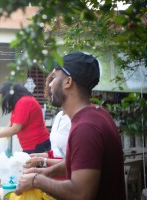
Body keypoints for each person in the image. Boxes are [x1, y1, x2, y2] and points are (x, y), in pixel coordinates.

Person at [15, 52, 126, 199]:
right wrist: (47, 172)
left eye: (54, 77)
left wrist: (37, 180)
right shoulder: (97, 114)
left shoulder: (86, 128)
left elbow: (81, 194)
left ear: (68, 82)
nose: (49, 84)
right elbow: (78, 162)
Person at [0, 82, 50, 154]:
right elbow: (11, 123)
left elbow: (15, 129)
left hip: (37, 144)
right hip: (33, 144)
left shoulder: (24, 102)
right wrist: (2, 132)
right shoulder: (20, 102)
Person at [24, 73, 71, 168]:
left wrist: (43, 161)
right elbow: (57, 152)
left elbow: (75, 164)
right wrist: (37, 156)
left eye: (54, 79)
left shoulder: (79, 119)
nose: (50, 86)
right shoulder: (59, 116)